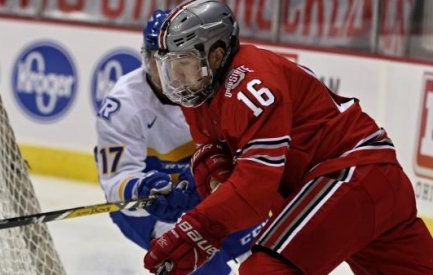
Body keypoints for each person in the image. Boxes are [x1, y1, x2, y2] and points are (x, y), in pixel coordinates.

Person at [143, 1, 433, 274]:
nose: (176, 79)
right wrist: (213, 170)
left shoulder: (252, 85)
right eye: (171, 68)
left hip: (349, 175)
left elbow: (255, 190)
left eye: (183, 64)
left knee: (266, 269)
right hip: (368, 181)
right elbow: (212, 150)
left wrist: (198, 227)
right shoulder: (199, 93)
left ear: (216, 55)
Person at [94, 9, 259, 274]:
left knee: (264, 255)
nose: (172, 73)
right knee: (204, 267)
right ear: (146, 60)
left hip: (203, 191)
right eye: (159, 62)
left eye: (180, 62)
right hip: (150, 210)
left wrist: (206, 182)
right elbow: (115, 180)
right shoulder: (124, 107)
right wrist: (142, 191)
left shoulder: (216, 89)